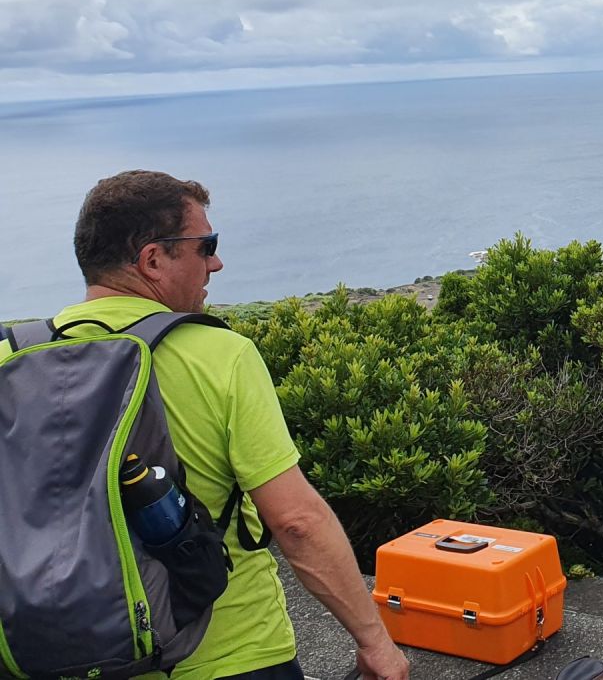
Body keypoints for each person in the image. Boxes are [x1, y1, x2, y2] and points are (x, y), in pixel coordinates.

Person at [0, 171, 410, 680]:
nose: (216, 261)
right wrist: (375, 642)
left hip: (53, 655)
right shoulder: (220, 355)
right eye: (205, 245)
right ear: (152, 259)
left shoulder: (10, 359)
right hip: (228, 656)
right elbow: (296, 523)